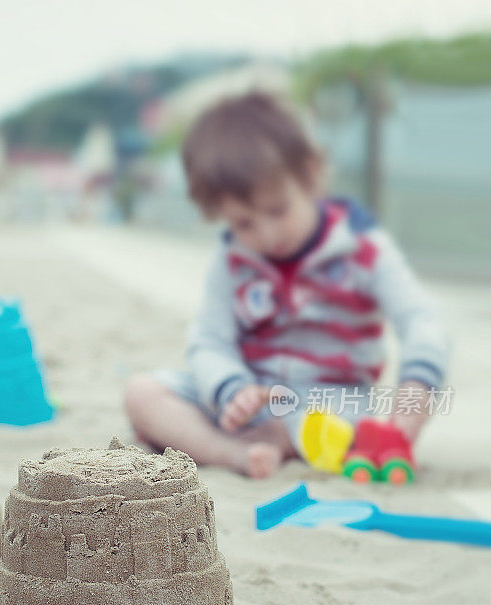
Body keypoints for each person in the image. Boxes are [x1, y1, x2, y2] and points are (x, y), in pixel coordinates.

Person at [124, 92, 450, 478]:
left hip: (331, 404)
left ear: (311, 175)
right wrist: (232, 389)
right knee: (142, 393)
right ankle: (235, 454)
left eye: (278, 210)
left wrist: (416, 390)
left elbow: (420, 320)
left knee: (336, 424)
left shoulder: (362, 248)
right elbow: (210, 339)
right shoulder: (233, 259)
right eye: (243, 223)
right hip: (252, 397)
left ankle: (268, 441)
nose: (266, 234)